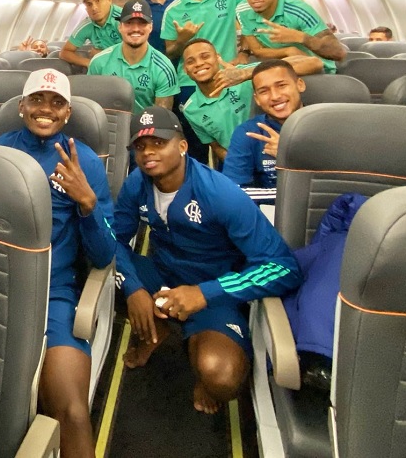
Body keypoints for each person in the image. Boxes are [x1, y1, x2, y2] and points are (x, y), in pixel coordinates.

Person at [113, 107, 301, 414]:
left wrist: (206, 293)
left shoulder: (222, 194)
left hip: (215, 290)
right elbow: (114, 240)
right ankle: (155, 332)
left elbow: (284, 267)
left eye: (159, 143)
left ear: (183, 146)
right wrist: (134, 288)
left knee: (221, 376)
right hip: (163, 274)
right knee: (96, 266)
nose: (148, 153)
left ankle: (198, 344)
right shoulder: (138, 182)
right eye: (140, 146)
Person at [0, 69, 115, 458]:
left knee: (73, 413)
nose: (46, 109)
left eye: (57, 102)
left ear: (68, 112)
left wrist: (87, 202)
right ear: (22, 106)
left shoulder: (86, 163)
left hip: (53, 294)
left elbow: (105, 255)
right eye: (38, 100)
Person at [181, 39, 320, 163]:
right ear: (185, 70)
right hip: (242, 162)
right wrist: (237, 163)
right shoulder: (190, 110)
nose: (199, 63)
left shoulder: (245, 74)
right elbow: (216, 147)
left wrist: (245, 74)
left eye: (205, 56)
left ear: (218, 58)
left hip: (285, 149)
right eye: (190, 61)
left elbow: (314, 63)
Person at [237, 0, 346, 73]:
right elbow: (258, 50)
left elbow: (337, 52)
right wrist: (288, 50)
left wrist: (299, 36)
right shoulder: (243, 11)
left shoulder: (298, 9)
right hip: (281, 68)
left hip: (317, 70)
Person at [222, 60, 306, 190]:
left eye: (282, 85)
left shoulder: (327, 125)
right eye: (264, 91)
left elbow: (337, 184)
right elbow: (234, 191)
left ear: (299, 85)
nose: (275, 96)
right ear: (257, 99)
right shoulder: (249, 132)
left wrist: (290, 155)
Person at [87, 0, 180, 110]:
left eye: (142, 23)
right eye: (129, 23)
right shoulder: (99, 62)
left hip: (146, 126)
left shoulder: (164, 68)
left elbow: (161, 115)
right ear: (120, 27)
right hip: (106, 124)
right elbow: (91, 107)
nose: (135, 29)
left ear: (150, 27)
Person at [60, 0, 123, 69]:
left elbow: (138, 50)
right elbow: (64, 52)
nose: (94, 7)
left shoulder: (124, 19)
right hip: (103, 68)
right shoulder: (86, 25)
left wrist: (103, 54)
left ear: (109, 0)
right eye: (89, 4)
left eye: (98, 1)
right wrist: (89, 63)